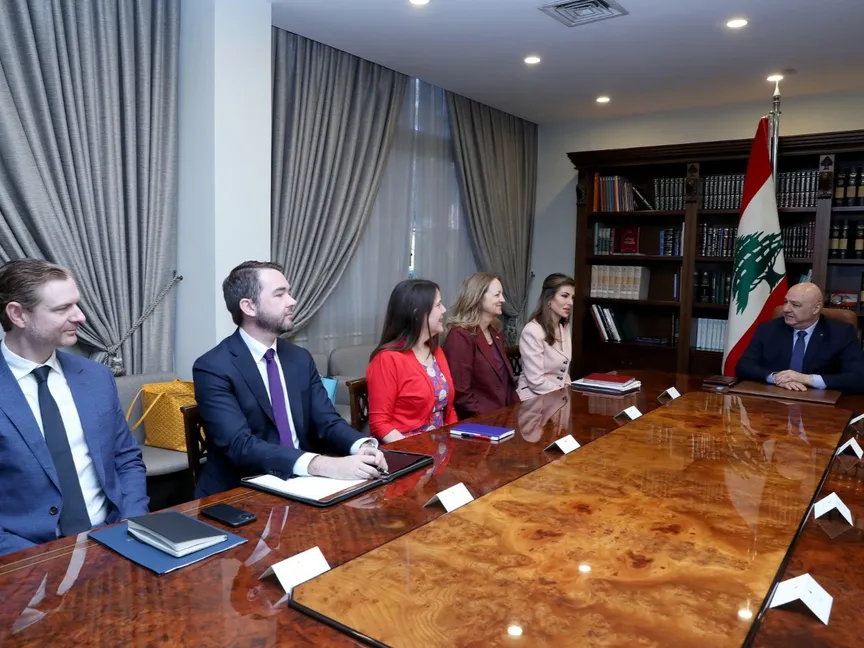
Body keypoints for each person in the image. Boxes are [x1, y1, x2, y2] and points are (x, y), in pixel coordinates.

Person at [192, 261, 387, 497]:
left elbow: (327, 421)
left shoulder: (299, 358)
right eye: (280, 294)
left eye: (289, 292)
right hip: (241, 491)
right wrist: (324, 465)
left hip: (303, 484)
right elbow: (240, 445)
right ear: (249, 306)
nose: (292, 301)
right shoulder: (213, 367)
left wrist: (361, 446)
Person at [0, 259, 148, 557]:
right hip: (25, 555)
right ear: (18, 314)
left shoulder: (95, 377)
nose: (80, 316)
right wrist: (31, 560)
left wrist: (132, 523)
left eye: (76, 304)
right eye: (62, 309)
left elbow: (126, 458)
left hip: (114, 538)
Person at [366, 279, 457, 443]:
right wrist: (413, 452)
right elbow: (380, 423)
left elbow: (448, 411)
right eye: (438, 305)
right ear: (418, 314)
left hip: (441, 446)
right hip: (406, 449)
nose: (444, 310)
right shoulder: (387, 359)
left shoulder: (436, 351)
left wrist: (457, 443)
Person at [735, 282, 864, 393]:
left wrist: (806, 379)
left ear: (816, 308)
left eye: (795, 305)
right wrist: (775, 377)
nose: (786, 309)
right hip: (775, 398)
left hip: (820, 403)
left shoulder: (841, 333)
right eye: (785, 302)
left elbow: (859, 378)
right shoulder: (768, 329)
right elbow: (743, 366)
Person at [442, 272, 519, 419]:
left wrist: (516, 413)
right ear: (478, 297)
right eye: (497, 295)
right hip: (480, 421)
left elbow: (506, 384)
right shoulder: (460, 336)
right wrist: (486, 420)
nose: (503, 299)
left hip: (504, 416)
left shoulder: (495, 332)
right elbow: (461, 393)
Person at [517, 273, 575, 400]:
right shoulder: (532, 331)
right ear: (549, 298)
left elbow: (564, 373)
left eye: (572, 297)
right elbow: (536, 381)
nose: (570, 302)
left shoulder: (564, 326)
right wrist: (563, 395)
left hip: (558, 397)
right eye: (565, 296)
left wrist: (569, 393)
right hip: (533, 399)